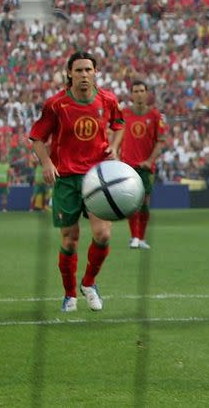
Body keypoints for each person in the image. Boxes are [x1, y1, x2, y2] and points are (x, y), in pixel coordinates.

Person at [28, 51, 124, 312]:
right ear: (69, 73)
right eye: (79, 70)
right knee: (70, 239)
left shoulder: (108, 99)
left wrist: (114, 148)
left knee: (103, 234)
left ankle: (89, 283)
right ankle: (69, 294)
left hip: (98, 179)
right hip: (67, 178)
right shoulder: (56, 105)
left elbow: (119, 124)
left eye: (88, 70)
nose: (84, 75)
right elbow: (37, 138)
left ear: (95, 72)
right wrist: (47, 163)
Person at [119, 78, 166, 250]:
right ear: (131, 95)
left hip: (146, 167)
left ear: (147, 93)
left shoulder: (155, 116)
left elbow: (160, 142)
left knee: (145, 203)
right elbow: (114, 135)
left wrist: (149, 161)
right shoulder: (123, 114)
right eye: (135, 91)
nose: (139, 94)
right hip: (127, 166)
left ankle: (142, 238)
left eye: (141, 91)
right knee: (132, 203)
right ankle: (134, 237)